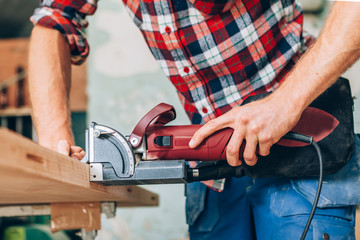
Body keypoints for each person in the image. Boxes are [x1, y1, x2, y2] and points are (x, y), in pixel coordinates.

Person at [28, 0, 360, 239]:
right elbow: (54, 19)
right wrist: (57, 145)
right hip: (213, 170)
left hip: (301, 143)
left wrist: (284, 104)